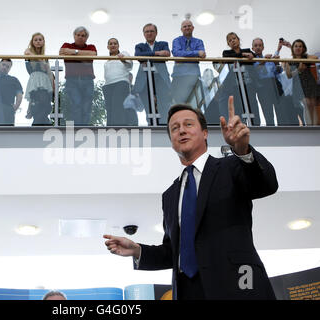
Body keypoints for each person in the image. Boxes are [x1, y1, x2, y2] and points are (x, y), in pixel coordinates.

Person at [104, 96, 278, 300]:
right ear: (171, 141)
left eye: (188, 124)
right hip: (187, 292)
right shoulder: (169, 196)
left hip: (238, 285)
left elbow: (266, 185)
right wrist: (137, 250)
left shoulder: (231, 167)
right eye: (174, 128)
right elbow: (174, 251)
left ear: (205, 133)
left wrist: (243, 151)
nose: (181, 130)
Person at [133, 23, 172, 125]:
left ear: (156, 33)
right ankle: (151, 128)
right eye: (147, 31)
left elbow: (167, 54)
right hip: (144, 80)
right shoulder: (139, 46)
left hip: (161, 79)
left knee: (164, 106)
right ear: (144, 34)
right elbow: (138, 56)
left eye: (151, 31)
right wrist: (157, 53)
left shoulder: (163, 44)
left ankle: (163, 128)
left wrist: (147, 56)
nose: (149, 33)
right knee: (148, 107)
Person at [59, 27, 97, 126]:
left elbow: (93, 54)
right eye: (78, 35)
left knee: (86, 106)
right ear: (74, 36)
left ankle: (84, 129)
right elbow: (62, 52)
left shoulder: (91, 46)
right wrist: (84, 58)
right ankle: (76, 129)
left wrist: (73, 53)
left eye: (83, 35)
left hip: (87, 81)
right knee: (75, 104)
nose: (80, 37)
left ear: (87, 38)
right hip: (72, 81)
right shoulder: (66, 45)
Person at [222, 32, 261, 126]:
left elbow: (254, 56)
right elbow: (228, 58)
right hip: (236, 86)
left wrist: (250, 55)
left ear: (238, 40)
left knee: (253, 105)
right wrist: (244, 55)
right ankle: (241, 126)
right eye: (230, 40)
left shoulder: (248, 50)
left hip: (250, 84)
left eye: (234, 38)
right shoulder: (227, 53)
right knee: (239, 107)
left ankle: (256, 125)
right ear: (228, 44)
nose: (233, 41)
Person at [103, 38, 137, 126]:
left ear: (118, 46)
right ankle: (109, 128)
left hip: (121, 83)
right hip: (108, 85)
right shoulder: (106, 62)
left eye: (115, 43)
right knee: (109, 108)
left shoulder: (124, 54)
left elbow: (129, 65)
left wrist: (123, 59)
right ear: (108, 47)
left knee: (117, 105)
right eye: (110, 44)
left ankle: (119, 128)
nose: (113, 45)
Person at [170, 20, 206, 105]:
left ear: (193, 28)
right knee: (179, 104)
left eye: (189, 26)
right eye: (184, 26)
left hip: (194, 76)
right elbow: (177, 54)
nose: (187, 28)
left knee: (195, 103)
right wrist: (196, 53)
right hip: (179, 77)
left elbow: (202, 55)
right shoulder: (176, 41)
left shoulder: (199, 41)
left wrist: (184, 56)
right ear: (181, 29)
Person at [284, 39, 319, 125]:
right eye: (296, 46)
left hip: (310, 82)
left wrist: (304, 56)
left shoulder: (306, 58)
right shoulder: (289, 61)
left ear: (303, 48)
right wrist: (298, 70)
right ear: (293, 48)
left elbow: (315, 57)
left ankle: (315, 126)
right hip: (299, 84)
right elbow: (289, 75)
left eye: (300, 46)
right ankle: (308, 125)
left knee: (312, 104)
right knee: (306, 104)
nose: (298, 48)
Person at [251, 38, 283, 126]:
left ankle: (282, 131)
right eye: (256, 45)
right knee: (268, 113)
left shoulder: (269, 59)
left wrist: (277, 64)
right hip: (263, 87)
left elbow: (278, 72)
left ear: (263, 47)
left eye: (260, 45)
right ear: (252, 48)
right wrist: (265, 60)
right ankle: (271, 132)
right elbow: (254, 70)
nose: (258, 47)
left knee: (280, 111)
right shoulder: (251, 61)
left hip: (274, 85)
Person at [24, 33, 54, 126]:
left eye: (40, 39)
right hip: (34, 80)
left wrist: (53, 86)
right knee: (37, 102)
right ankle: (40, 125)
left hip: (44, 81)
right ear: (32, 42)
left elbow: (47, 70)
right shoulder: (28, 52)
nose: (38, 41)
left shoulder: (45, 56)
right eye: (35, 40)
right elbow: (28, 54)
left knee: (45, 104)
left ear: (43, 42)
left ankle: (41, 124)